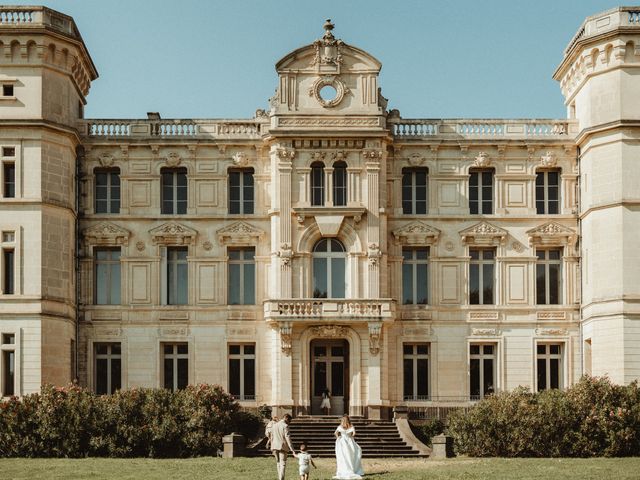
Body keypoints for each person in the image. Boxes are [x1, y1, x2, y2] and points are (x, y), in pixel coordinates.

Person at [333, 414, 364, 480]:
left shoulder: (340, 426)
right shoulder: (351, 426)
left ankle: (343, 469)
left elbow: (335, 433)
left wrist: (338, 437)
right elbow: (354, 433)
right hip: (349, 442)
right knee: (350, 456)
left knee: (343, 457)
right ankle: (352, 469)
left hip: (342, 442)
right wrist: (351, 437)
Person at [271, 413, 295, 480]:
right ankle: (281, 479)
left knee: (278, 463)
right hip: (282, 447)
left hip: (274, 446)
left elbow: (272, 437)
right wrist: (292, 450)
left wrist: (271, 446)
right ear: (286, 418)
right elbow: (288, 438)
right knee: (283, 463)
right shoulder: (285, 426)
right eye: (289, 421)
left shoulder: (274, 425)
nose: (289, 423)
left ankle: (280, 477)